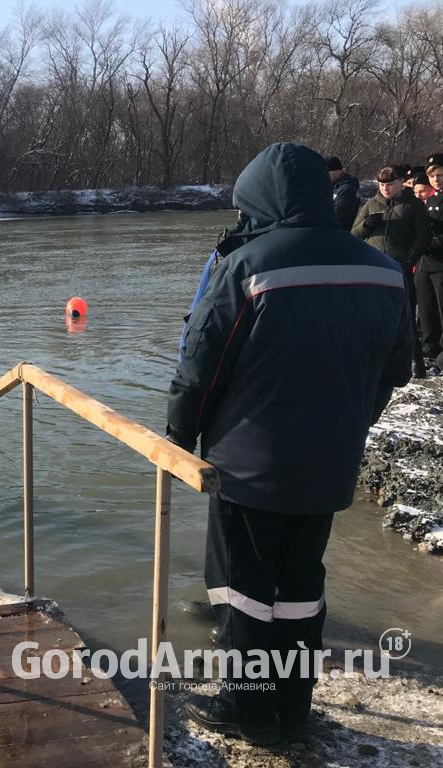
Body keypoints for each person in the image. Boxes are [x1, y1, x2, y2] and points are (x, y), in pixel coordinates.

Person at [168, 143, 412, 746]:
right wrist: (350, 424)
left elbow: (200, 370)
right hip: (330, 463)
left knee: (242, 588)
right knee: (302, 585)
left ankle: (246, 709)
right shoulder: (381, 268)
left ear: (256, 198)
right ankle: (293, 706)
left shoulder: (247, 266)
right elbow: (394, 370)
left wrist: (179, 440)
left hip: (248, 466)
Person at [352, 165, 429, 378]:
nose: (385, 188)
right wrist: (367, 225)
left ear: (400, 183)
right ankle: (372, 358)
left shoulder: (413, 205)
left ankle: (415, 362)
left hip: (399, 265)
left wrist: (409, 258)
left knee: (404, 315)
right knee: (371, 314)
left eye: (390, 184)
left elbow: (423, 235)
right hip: (372, 265)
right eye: (382, 184)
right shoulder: (371, 204)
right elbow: (353, 234)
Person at [415, 152, 443, 367]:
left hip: (441, 261)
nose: (437, 179)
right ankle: (429, 347)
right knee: (426, 308)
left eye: (441, 175)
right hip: (426, 262)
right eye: (433, 176)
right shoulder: (431, 199)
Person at [326, 155, 360, 229]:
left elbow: (335, 215)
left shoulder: (347, 190)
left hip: (338, 234)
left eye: (326, 173)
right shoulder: (334, 186)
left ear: (334, 171)